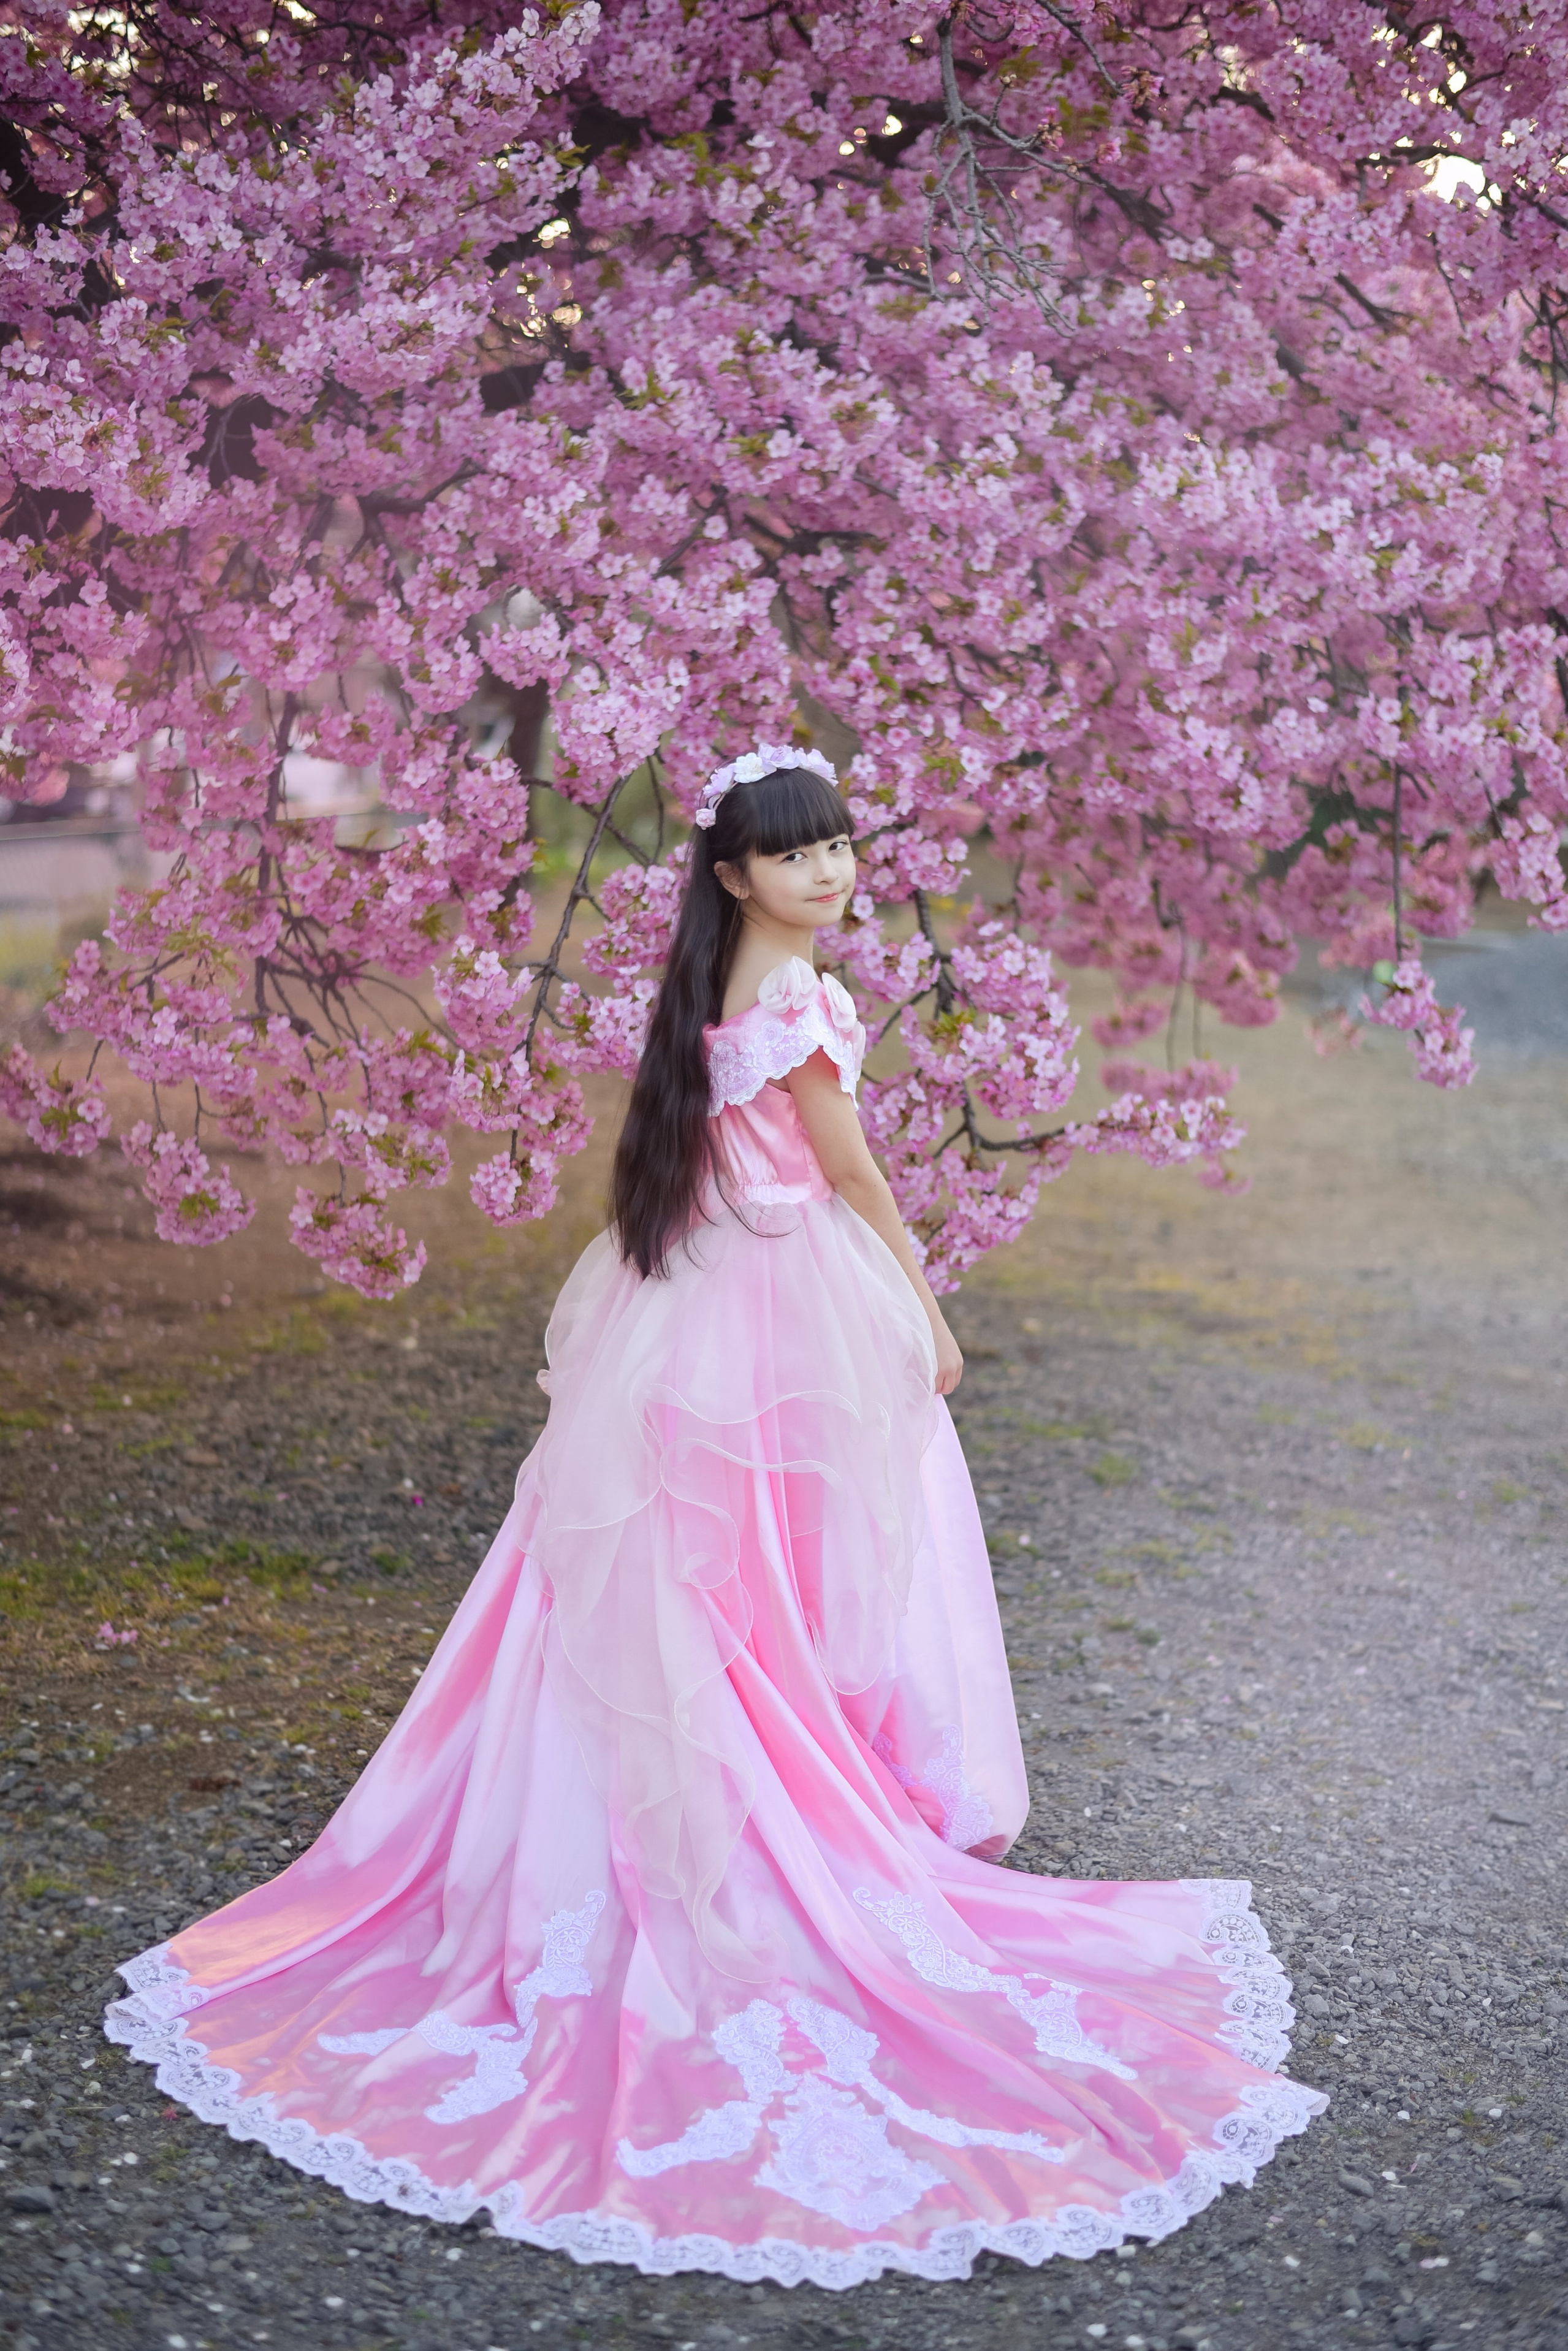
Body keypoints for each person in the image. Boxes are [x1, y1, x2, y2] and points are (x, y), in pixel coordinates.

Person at [105, 746, 1323, 2289]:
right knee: (767, 1559)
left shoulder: (709, 987)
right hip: (779, 1290)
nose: (831, 872)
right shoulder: (799, 1002)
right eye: (796, 855)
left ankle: (662, 1787)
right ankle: (768, 1802)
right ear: (734, 871)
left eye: (838, 849)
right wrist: (919, 1297)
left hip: (687, 1288)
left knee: (678, 1565)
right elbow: (848, 1164)